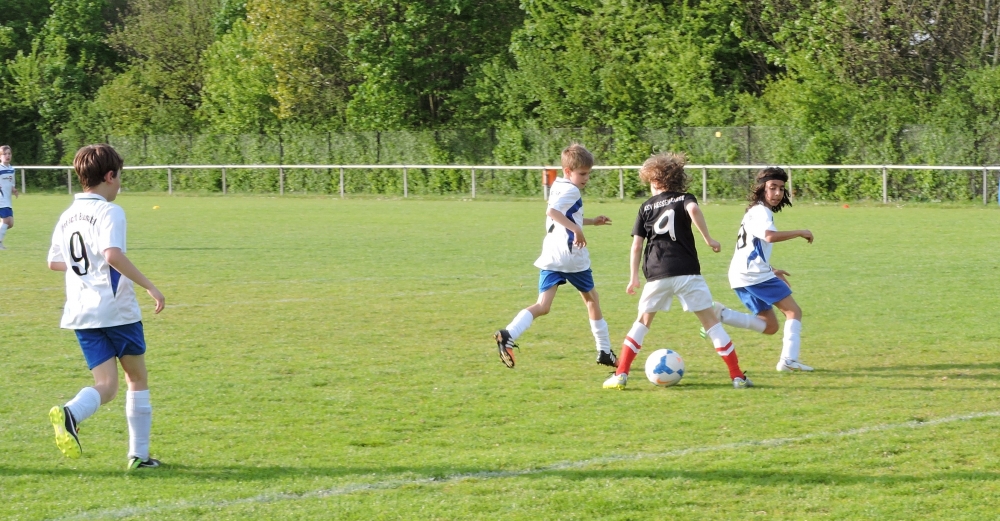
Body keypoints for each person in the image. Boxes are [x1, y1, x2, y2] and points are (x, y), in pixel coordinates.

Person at [47, 144, 165, 470]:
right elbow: (112, 254)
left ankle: (71, 412)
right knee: (136, 379)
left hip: (81, 313)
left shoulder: (67, 214)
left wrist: (84, 268)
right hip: (116, 310)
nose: (119, 184)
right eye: (119, 178)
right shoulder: (110, 211)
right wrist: (150, 286)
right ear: (109, 176)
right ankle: (138, 456)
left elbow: (55, 262)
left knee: (106, 386)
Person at [603, 152, 753, 390]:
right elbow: (693, 210)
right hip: (686, 271)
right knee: (712, 323)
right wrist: (709, 239)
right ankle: (737, 376)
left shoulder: (646, 207)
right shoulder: (685, 198)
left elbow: (637, 245)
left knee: (642, 322)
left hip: (656, 272)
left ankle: (621, 374)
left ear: (654, 181)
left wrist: (633, 277)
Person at [494, 144, 617, 368]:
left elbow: (564, 214)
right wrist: (577, 230)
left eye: (588, 173)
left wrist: (590, 222)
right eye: (582, 173)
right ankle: (605, 350)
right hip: (571, 256)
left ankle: (508, 333)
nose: (586, 178)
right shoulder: (572, 190)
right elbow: (552, 213)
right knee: (592, 300)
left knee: (543, 305)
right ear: (568, 171)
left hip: (551, 254)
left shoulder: (558, 185)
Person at [705, 167, 815, 372]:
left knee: (770, 326)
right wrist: (801, 231)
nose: (777, 193)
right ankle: (789, 362)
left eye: (781, 189)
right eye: (772, 187)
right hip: (753, 275)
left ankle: (721, 315)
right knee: (794, 311)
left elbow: (752, 248)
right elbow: (769, 236)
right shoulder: (761, 212)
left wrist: (771, 269)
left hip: (742, 275)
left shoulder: (754, 211)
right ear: (762, 188)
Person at [0, 145, 18, 250]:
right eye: (5, 154)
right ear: (0, 156)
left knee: (10, 223)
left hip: (7, 199)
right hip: (1, 199)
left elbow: (11, 182)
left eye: (9, 153)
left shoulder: (11, 169)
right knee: (6, 221)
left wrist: (14, 189)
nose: (7, 156)